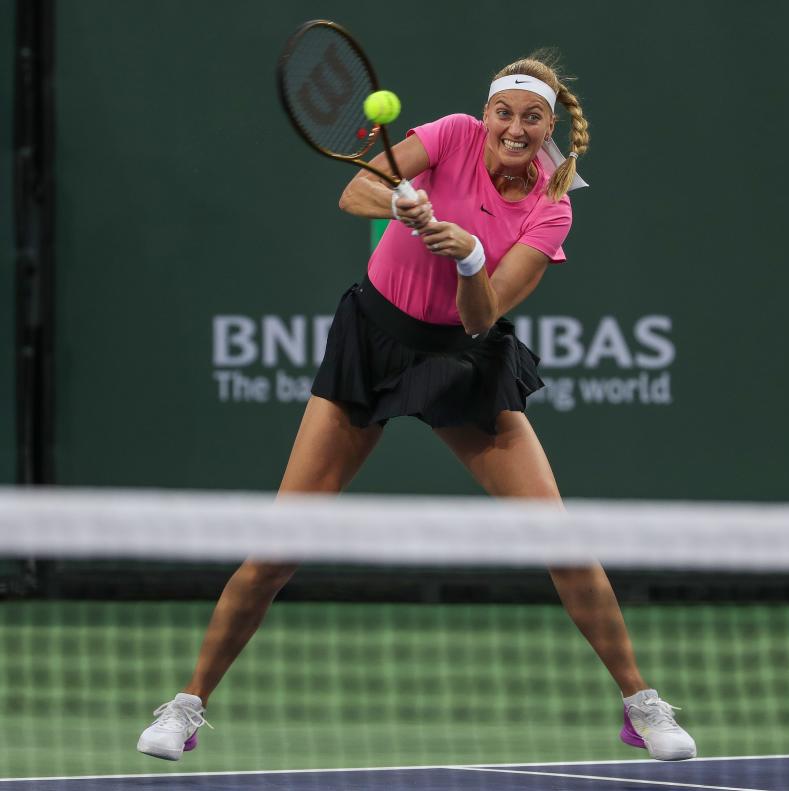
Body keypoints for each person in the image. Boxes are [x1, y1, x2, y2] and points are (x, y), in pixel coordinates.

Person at [137, 51, 696, 764]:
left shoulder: (552, 208)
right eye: (505, 112)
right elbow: (356, 192)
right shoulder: (453, 133)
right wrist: (398, 200)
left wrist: (467, 258)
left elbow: (480, 317)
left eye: (532, 118)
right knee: (277, 546)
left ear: (550, 127)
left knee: (561, 538)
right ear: (486, 113)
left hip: (463, 358)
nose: (514, 128)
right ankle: (186, 705)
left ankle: (640, 704)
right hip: (372, 341)